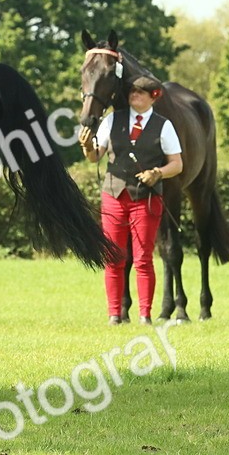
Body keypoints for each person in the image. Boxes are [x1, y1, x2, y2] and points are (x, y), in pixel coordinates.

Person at [78, 74, 183, 325]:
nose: (133, 96)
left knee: (143, 259)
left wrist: (157, 173)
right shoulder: (112, 120)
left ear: (153, 97)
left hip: (146, 199)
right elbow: (95, 157)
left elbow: (177, 164)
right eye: (132, 92)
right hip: (113, 195)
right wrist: (86, 147)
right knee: (114, 257)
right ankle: (115, 314)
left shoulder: (163, 125)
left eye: (140, 93)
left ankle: (145, 315)